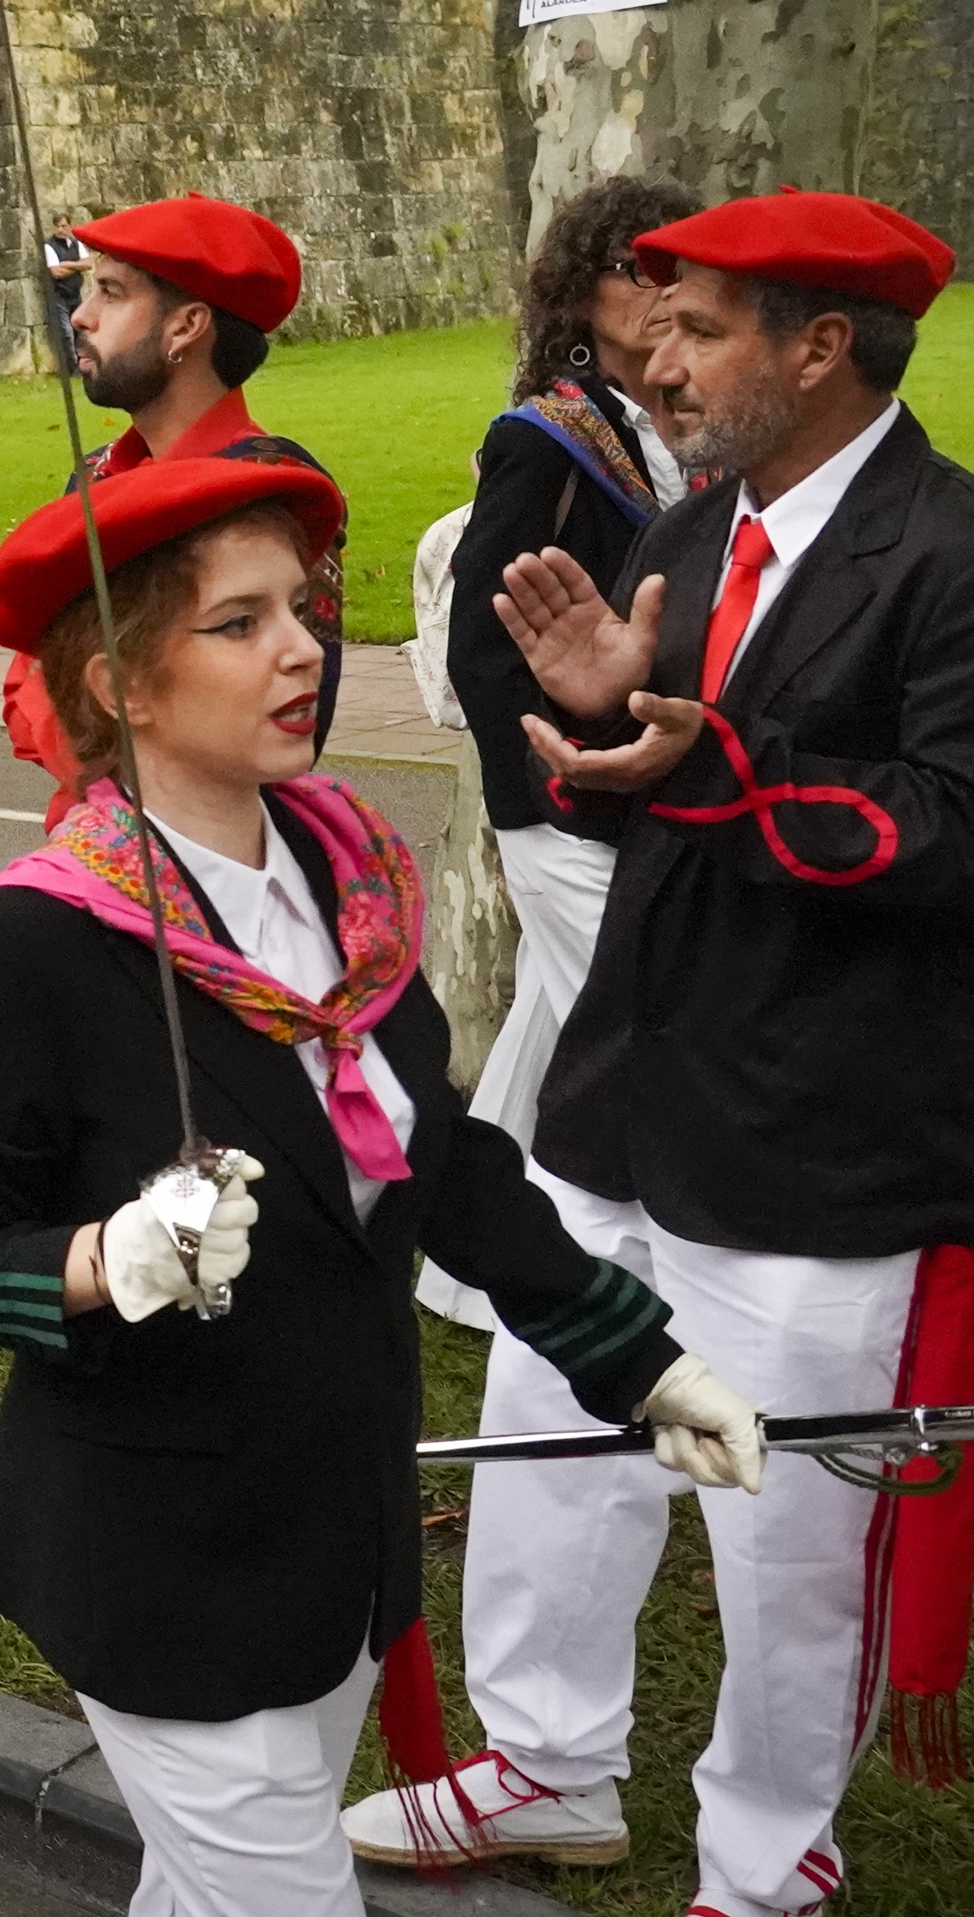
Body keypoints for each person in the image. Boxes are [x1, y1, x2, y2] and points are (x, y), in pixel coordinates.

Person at [346, 193, 974, 1915]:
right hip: (617, 1102)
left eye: (696, 328)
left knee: (787, 1543)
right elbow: (656, 770)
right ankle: (548, 1761)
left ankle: (767, 1868)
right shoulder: (690, 534)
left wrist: (697, 752)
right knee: (552, 1447)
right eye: (658, 321)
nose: (656, 357)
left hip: (817, 1148)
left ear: (820, 345)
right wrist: (614, 707)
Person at [0, 454, 764, 1917]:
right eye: (238, 624)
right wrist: (108, 1256)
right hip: (162, 1564)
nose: (306, 646)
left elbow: (439, 1155)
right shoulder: (27, 947)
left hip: (337, 1545)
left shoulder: (344, 875)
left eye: (300, 607)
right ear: (118, 680)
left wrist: (641, 1356)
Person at [417, 177, 700, 1334]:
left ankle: (464, 1264)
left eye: (677, 267)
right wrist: (544, 781)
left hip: (650, 782)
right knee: (638, 1020)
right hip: (559, 794)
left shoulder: (686, 427)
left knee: (552, 1021)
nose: (661, 290)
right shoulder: (543, 437)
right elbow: (487, 647)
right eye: (637, 265)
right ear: (581, 290)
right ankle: (651, 1275)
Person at [1, 197, 346, 801]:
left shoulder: (271, 488)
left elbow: (289, 711)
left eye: (110, 292)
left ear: (185, 326)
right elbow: (28, 691)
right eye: (88, 291)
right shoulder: (95, 476)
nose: (81, 317)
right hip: (93, 838)